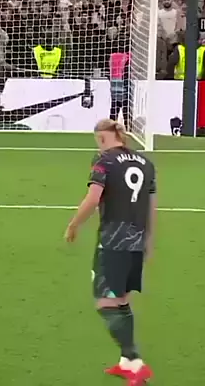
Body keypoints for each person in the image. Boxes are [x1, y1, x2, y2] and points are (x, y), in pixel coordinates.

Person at [64, 119, 157, 386]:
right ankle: (126, 362)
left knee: (105, 302)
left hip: (113, 242)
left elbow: (93, 198)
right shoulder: (146, 163)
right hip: (137, 240)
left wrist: (73, 225)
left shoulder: (104, 160)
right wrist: (149, 240)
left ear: (103, 137)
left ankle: (135, 362)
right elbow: (151, 205)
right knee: (122, 300)